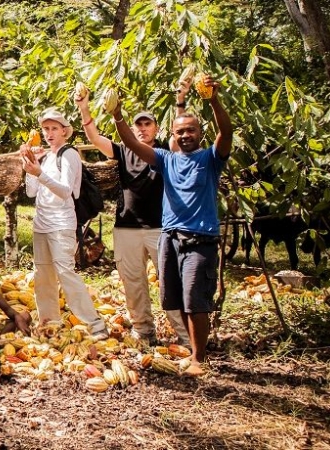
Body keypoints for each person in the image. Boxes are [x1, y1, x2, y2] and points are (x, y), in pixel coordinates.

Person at [113, 74, 232, 377]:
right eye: (180, 131)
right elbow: (131, 143)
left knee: (195, 300)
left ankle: (199, 358)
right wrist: (117, 116)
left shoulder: (210, 159)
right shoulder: (166, 159)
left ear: (200, 134)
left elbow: (226, 131)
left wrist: (213, 99)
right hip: (171, 238)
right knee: (176, 298)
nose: (185, 135)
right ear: (173, 135)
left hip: (200, 238)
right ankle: (193, 352)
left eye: (191, 130)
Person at [75, 88, 190, 345]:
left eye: (147, 124)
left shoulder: (164, 151)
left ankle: (184, 336)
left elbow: (180, 141)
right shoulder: (122, 151)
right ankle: (143, 331)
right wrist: (84, 107)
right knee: (134, 284)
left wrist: (180, 101)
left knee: (170, 282)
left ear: (157, 129)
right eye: (138, 125)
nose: (142, 129)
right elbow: (94, 138)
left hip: (160, 228)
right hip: (126, 227)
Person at [20, 108, 108, 340]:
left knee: (65, 272)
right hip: (41, 223)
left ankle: (94, 323)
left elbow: (66, 191)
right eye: (46, 129)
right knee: (43, 274)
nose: (49, 133)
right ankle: (50, 322)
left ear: (64, 131)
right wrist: (30, 167)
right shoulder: (47, 157)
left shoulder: (69, 155)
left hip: (62, 223)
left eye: (54, 129)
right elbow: (31, 192)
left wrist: (39, 173)